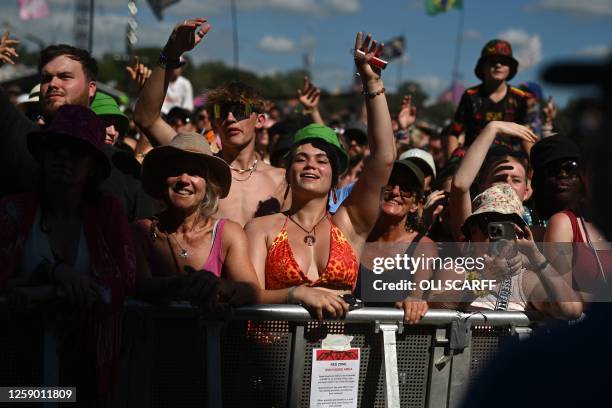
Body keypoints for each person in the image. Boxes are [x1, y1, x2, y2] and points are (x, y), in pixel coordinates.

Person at [245, 32, 396, 319]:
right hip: (273, 354)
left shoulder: (350, 224)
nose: (311, 165)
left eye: (322, 160)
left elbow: (384, 158)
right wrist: (297, 293)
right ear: (288, 173)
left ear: (335, 174)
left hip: (338, 359)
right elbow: (249, 294)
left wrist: (372, 83)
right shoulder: (261, 229)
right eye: (300, 159)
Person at [0, 105, 136, 402]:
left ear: (93, 167)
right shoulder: (13, 211)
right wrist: (53, 272)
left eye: (76, 151)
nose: (63, 157)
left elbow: (122, 282)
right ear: (43, 154)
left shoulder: (108, 215)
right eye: (55, 147)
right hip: (16, 369)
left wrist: (48, 292)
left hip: (88, 370)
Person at [133, 18, 287, 226]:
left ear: (260, 120)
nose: (230, 118)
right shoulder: (200, 168)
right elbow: (146, 118)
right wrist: (171, 53)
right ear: (214, 123)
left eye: (239, 111)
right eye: (221, 112)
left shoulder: (282, 180)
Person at [0, 36, 159, 220]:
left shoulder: (121, 165)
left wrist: (149, 98)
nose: (53, 84)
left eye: (64, 76)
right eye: (46, 78)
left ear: (91, 88)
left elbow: (144, 239)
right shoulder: (22, 138)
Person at [358, 158, 433, 324]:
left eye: (406, 189)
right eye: (390, 184)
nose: (395, 192)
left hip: (398, 344)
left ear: (416, 205)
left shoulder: (423, 246)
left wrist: (414, 301)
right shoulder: (357, 237)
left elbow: (416, 296)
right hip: (349, 342)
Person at [450, 121, 537, 240]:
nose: (507, 182)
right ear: (482, 185)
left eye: (516, 180)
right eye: (499, 178)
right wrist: (492, 128)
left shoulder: (537, 230)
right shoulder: (473, 226)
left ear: (527, 191)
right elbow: (459, 185)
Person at [447, 39, 530, 157]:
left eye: (504, 62)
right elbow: (454, 133)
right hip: (473, 155)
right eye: (492, 62)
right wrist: (452, 165)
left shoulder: (520, 97)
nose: (498, 65)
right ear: (482, 67)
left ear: (510, 68)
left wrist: (533, 168)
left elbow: (527, 136)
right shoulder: (471, 95)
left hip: (509, 157)